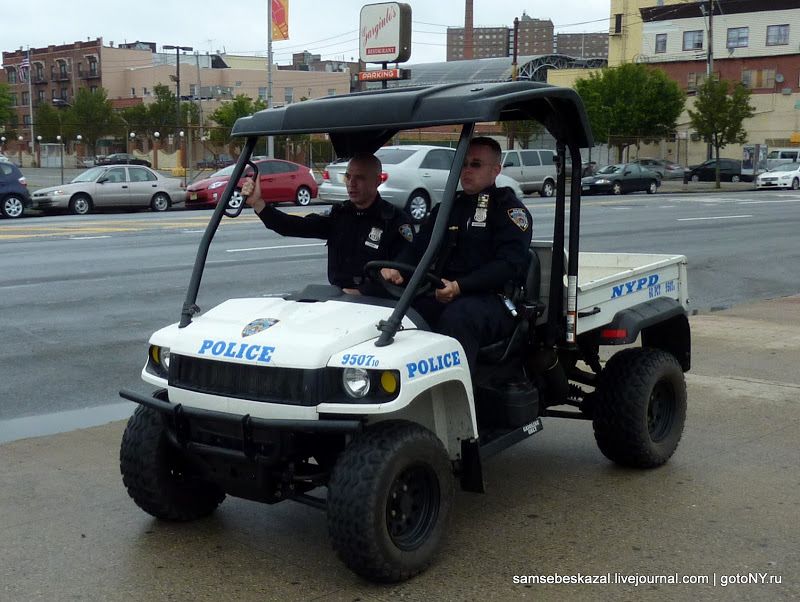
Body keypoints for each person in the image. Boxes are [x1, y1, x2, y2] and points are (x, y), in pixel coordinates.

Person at [382, 136, 533, 373]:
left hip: (490, 298)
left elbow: (509, 265)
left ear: (495, 170)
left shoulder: (507, 209)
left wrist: (460, 286)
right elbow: (419, 246)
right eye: (463, 164)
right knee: (400, 309)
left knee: (458, 318)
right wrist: (397, 268)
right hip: (444, 291)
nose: (467, 170)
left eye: (475, 164)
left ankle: (455, 397)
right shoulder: (449, 207)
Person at [241, 153, 414, 295]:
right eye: (348, 176)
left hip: (378, 306)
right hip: (336, 299)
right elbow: (292, 226)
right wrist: (258, 203)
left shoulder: (395, 221)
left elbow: (407, 271)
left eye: (359, 178)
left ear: (378, 181)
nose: (351, 183)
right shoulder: (341, 214)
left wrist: (365, 291)